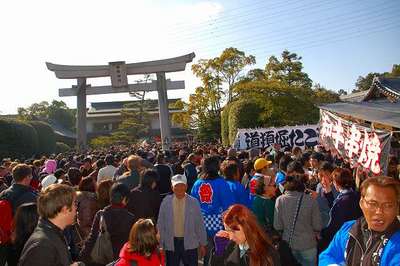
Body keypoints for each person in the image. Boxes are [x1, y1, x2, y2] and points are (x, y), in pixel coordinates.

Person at [320, 176, 400, 265]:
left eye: (388, 205)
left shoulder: (397, 245)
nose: (379, 211)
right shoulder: (348, 229)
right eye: (372, 204)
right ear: (361, 203)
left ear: (397, 207)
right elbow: (327, 256)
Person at [18, 184, 81, 266]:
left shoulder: (52, 233)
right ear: (64, 209)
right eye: (75, 204)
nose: (76, 208)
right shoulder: (42, 246)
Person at [190, 156, 235, 265]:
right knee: (221, 253)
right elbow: (228, 205)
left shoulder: (197, 183)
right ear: (216, 167)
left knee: (206, 254)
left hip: (202, 223)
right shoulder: (221, 183)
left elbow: (192, 205)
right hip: (219, 223)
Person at [158, 174, 207, 266]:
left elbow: (199, 224)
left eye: (182, 185)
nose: (179, 188)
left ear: (186, 186)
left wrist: (203, 243)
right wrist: (161, 245)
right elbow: (161, 224)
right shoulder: (166, 202)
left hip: (190, 243)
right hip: (171, 243)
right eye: (176, 186)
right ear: (172, 187)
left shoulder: (193, 202)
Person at [80, 183, 136, 264]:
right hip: (121, 260)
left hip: (103, 258)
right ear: (124, 199)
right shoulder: (130, 217)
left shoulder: (101, 214)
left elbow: (92, 238)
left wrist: (82, 257)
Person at [274, 175, 322, 266]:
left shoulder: (279, 200)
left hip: (289, 244)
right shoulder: (311, 200)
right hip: (308, 244)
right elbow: (317, 226)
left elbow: (277, 226)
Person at [210, 204, 280, 266]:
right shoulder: (230, 245)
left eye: (233, 231)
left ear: (247, 227)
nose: (231, 237)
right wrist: (219, 253)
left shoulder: (267, 253)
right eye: (227, 231)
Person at [0, 164, 37, 266]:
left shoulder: (3, 193)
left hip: (7, 238)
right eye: (31, 176)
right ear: (27, 177)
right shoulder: (31, 196)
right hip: (25, 239)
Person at [319, 168, 363, 253]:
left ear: (337, 183)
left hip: (343, 238)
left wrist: (322, 234)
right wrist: (328, 193)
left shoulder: (343, 201)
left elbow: (334, 224)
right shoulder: (355, 195)